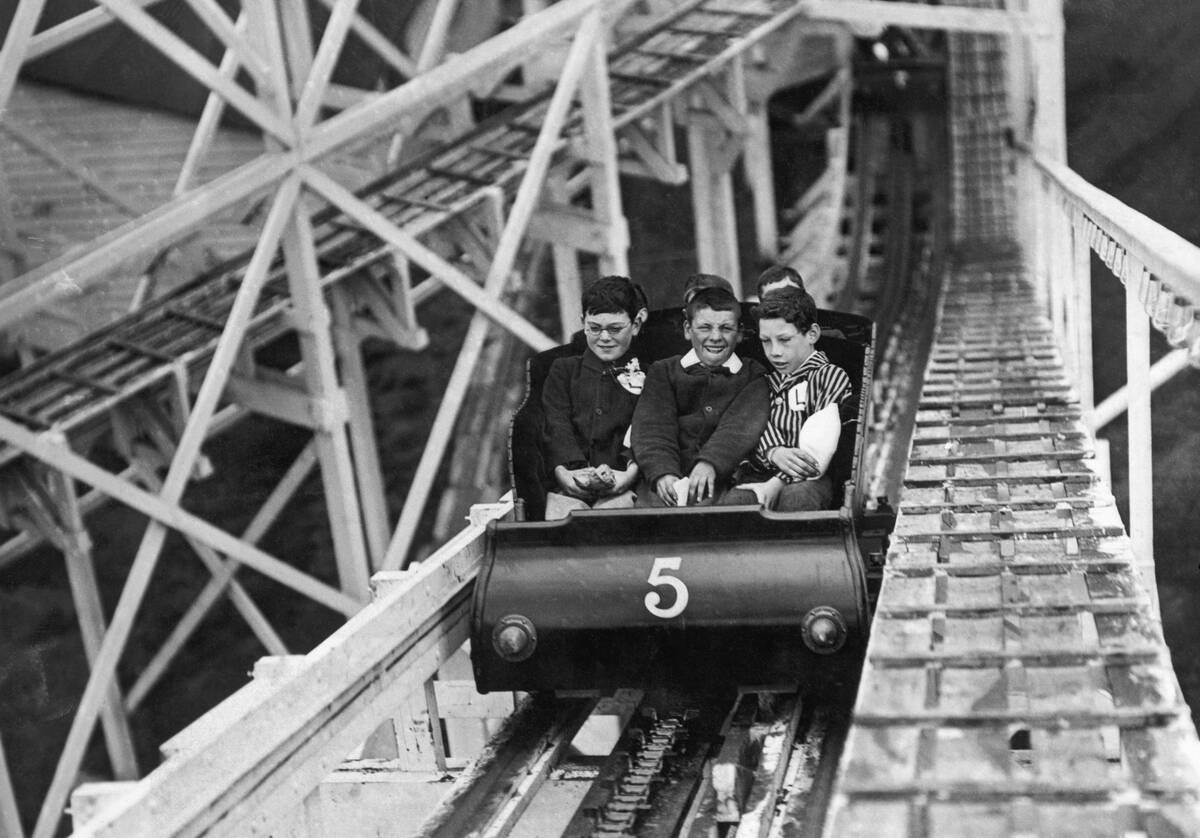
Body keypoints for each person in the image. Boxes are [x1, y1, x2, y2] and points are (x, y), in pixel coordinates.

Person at [632, 284, 769, 506]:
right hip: (664, 481)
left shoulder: (753, 374)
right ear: (688, 329)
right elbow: (652, 428)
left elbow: (740, 428)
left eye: (726, 328)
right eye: (705, 327)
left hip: (722, 480)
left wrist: (710, 463)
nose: (715, 337)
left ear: (740, 333)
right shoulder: (664, 371)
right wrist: (662, 472)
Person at [723, 286, 852, 511]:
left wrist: (775, 483)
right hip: (760, 472)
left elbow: (817, 447)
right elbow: (752, 429)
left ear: (812, 334)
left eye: (784, 340)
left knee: (797, 498)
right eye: (766, 341)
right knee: (736, 501)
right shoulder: (764, 382)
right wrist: (774, 452)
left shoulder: (828, 376)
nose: (774, 352)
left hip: (811, 477)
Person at [541, 275, 648, 519]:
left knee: (614, 519)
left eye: (615, 329)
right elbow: (556, 423)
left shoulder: (651, 374)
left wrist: (629, 471)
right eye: (594, 328)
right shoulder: (564, 371)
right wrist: (564, 471)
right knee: (560, 524)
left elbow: (648, 428)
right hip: (569, 482)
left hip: (625, 482)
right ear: (583, 323)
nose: (604, 338)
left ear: (636, 324)